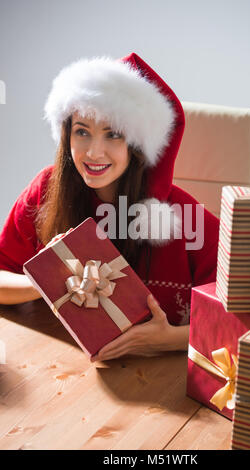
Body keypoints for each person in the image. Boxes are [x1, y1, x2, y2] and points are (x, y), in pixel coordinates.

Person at [0, 53, 220, 361]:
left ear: (138, 144)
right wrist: (43, 281)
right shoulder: (46, 190)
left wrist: (170, 339)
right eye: (82, 131)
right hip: (58, 370)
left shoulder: (184, 216)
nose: (93, 151)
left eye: (113, 134)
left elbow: (244, 319)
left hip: (160, 386)